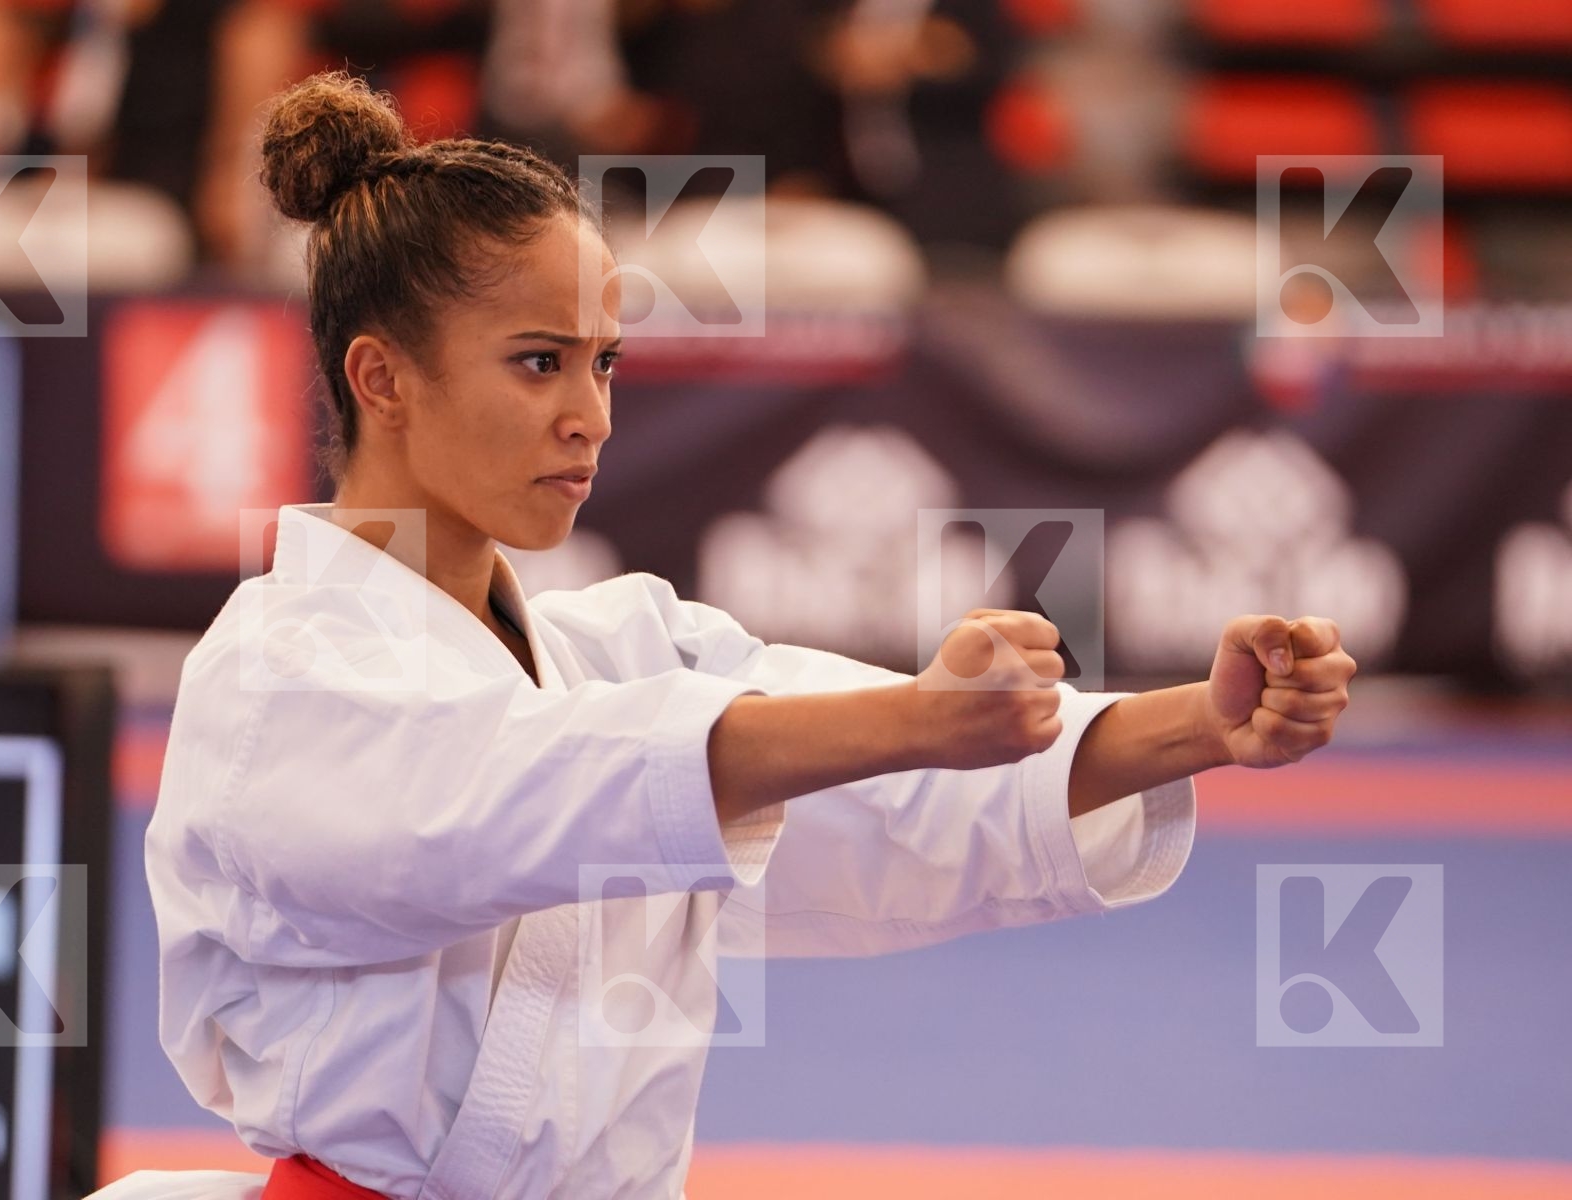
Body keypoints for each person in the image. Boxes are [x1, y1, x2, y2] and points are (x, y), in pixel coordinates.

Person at [86, 70, 1357, 1200]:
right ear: (381, 379)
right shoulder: (276, 676)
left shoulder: (623, 652)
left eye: (605, 364)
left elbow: (889, 806)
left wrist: (1202, 722)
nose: (589, 415)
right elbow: (502, 800)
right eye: (539, 364)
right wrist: (913, 714)